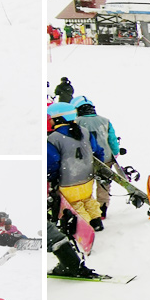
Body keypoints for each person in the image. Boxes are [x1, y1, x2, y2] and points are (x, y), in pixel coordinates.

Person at [47, 101, 105, 231]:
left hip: (68, 181)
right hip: (88, 179)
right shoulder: (85, 132)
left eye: (51, 119)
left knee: (75, 205)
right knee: (88, 200)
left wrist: (51, 177)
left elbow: (52, 162)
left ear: (59, 119)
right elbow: (98, 150)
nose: (49, 122)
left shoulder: (53, 138)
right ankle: (96, 221)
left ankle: (85, 227)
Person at [72, 95, 122, 219]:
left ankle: (89, 210)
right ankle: (102, 207)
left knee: (87, 186)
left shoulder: (76, 122)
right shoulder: (105, 121)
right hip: (105, 158)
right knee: (103, 184)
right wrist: (115, 153)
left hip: (85, 160)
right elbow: (112, 139)